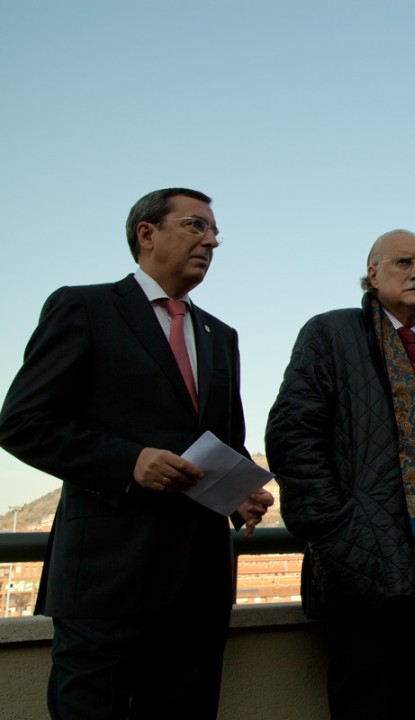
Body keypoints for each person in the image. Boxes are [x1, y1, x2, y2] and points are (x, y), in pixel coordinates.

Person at [0, 188, 273, 719]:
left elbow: (225, 439)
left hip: (198, 586)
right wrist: (129, 461)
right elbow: (23, 423)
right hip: (107, 580)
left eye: (215, 233)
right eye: (196, 226)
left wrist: (239, 493)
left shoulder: (221, 335)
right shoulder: (84, 307)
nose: (211, 241)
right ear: (147, 234)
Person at [265, 229, 415, 720]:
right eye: (403, 262)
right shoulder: (330, 334)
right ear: (372, 275)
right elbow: (293, 437)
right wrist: (339, 533)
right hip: (364, 569)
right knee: (367, 703)